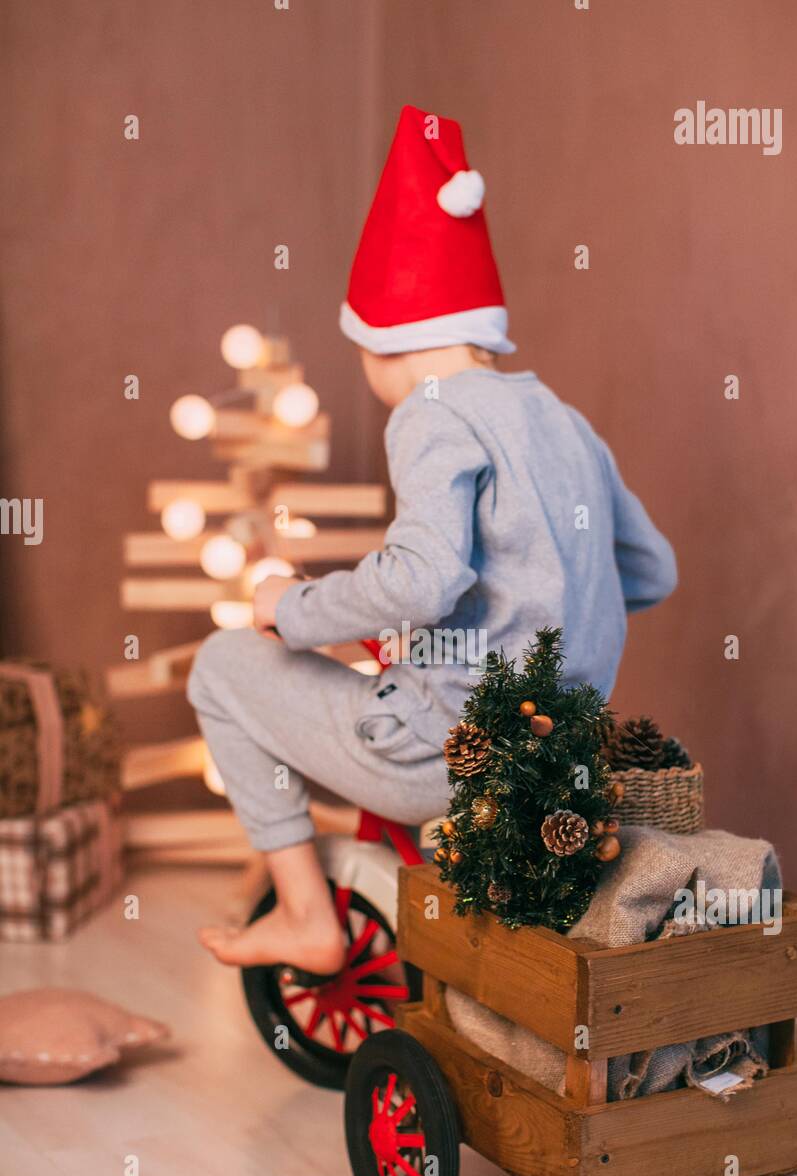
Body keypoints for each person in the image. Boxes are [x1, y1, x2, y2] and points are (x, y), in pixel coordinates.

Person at [188, 104, 676, 977]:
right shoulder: (563, 420)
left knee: (221, 667)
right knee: (374, 659)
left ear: (387, 342)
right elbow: (650, 569)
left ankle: (306, 914)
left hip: (448, 756)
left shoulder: (429, 412)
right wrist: (547, 611)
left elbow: (423, 579)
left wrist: (289, 606)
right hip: (554, 749)